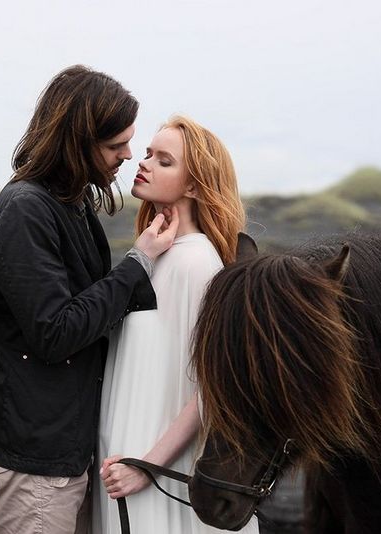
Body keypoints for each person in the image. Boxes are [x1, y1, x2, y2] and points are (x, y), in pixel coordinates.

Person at [0, 65, 179, 534]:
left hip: (66, 447)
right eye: (114, 146)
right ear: (75, 140)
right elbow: (54, 333)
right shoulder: (26, 209)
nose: (128, 155)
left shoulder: (70, 202)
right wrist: (138, 262)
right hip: (35, 458)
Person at [94, 116, 259, 533]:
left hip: (156, 472)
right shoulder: (153, 255)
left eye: (163, 160)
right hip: (123, 464)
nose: (144, 163)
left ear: (193, 185)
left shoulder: (197, 261)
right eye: (147, 154)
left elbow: (213, 387)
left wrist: (147, 467)